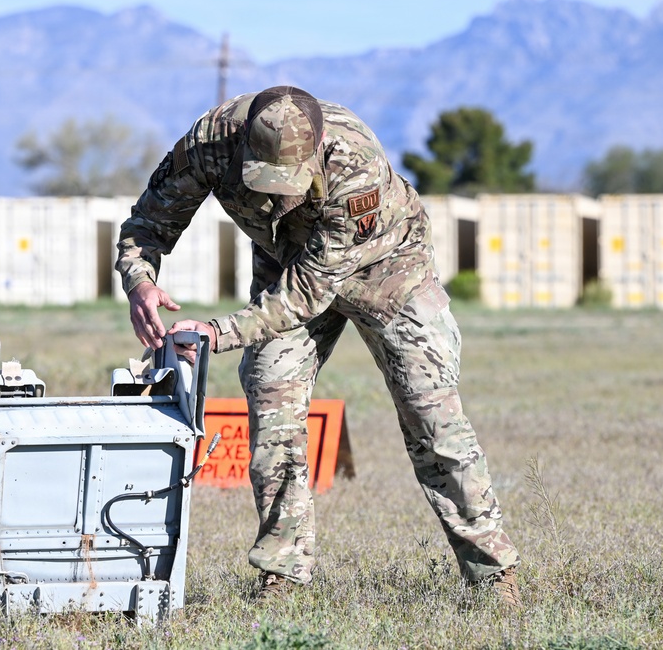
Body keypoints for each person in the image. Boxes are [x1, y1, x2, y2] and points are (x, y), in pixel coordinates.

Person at [116, 85, 521, 607]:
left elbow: (310, 290)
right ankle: (282, 572)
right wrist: (140, 282)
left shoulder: (354, 163)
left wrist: (218, 333)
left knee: (432, 417)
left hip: (388, 273)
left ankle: (492, 573)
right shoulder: (208, 143)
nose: (279, 195)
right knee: (272, 400)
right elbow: (147, 223)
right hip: (286, 264)